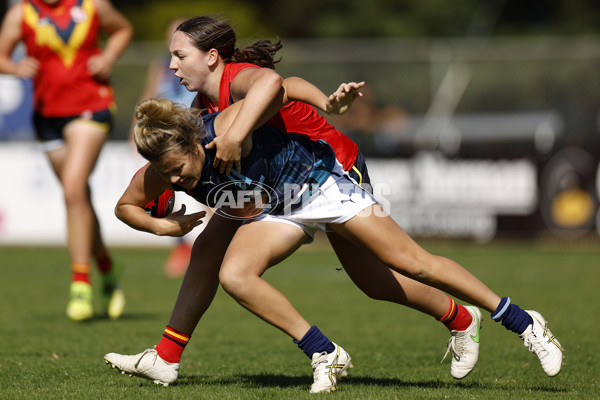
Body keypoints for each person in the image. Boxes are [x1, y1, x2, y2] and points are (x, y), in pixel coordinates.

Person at [106, 96, 563, 393]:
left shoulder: (221, 128)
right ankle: (324, 352)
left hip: (322, 186)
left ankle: (523, 323)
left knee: (408, 264)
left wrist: (323, 101)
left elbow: (276, 85)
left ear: (190, 142)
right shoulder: (159, 170)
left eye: (178, 168)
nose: (175, 180)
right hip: (278, 212)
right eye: (164, 174)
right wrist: (163, 229)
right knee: (234, 275)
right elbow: (126, 206)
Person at [0, 0, 133, 321]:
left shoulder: (92, 6)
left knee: (73, 190)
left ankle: (80, 284)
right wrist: (16, 68)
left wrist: (108, 56)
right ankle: (107, 267)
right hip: (47, 116)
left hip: (92, 106)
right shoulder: (23, 13)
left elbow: (123, 29)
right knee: (79, 199)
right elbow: (1, 56)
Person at [129, 18, 201, 278]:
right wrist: (134, 130)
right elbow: (148, 94)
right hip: (165, 136)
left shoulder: (198, 64)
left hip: (191, 132)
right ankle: (181, 245)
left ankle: (213, 244)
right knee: (170, 191)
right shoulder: (160, 65)